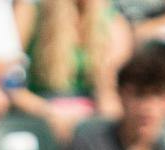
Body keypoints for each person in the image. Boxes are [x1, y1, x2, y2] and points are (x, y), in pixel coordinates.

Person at [19, 0, 131, 139]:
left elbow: (110, 91)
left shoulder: (114, 23)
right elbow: (10, 84)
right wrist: (48, 111)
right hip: (41, 111)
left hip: (91, 111)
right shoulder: (31, 12)